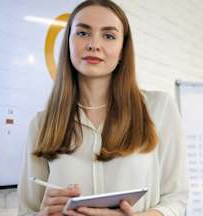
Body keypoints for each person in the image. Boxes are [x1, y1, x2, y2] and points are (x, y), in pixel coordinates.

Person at [17, 0, 188, 215]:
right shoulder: (41, 124)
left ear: (122, 50)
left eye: (108, 36)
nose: (93, 44)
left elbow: (176, 200)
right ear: (68, 42)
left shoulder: (159, 108)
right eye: (82, 33)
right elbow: (27, 210)